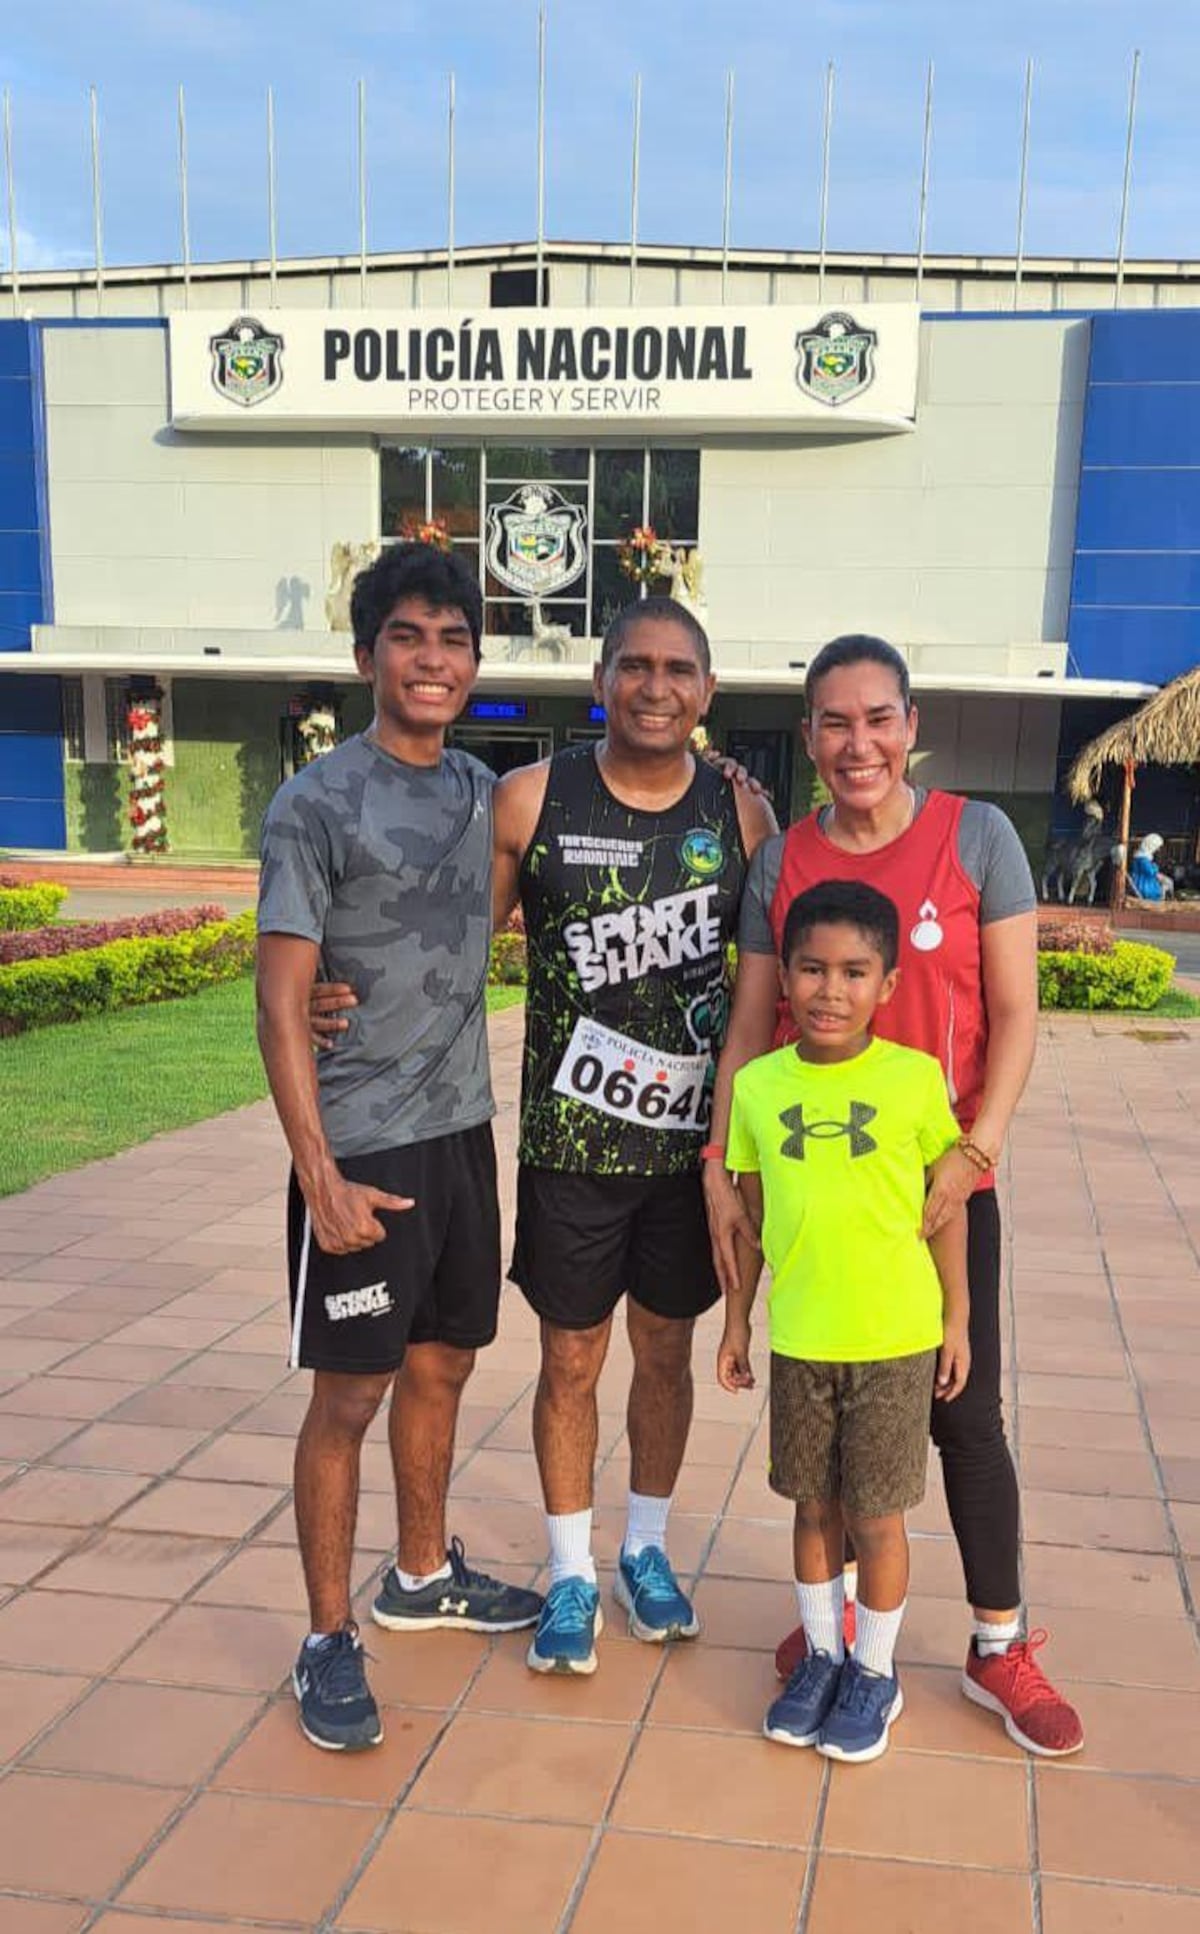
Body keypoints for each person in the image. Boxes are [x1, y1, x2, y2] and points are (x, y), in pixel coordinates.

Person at [705, 633, 1085, 1758]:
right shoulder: (783, 861)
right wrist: (723, 1163)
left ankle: (996, 1640)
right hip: (818, 1182)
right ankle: (835, 1632)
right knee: (820, 1421)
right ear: (810, 733)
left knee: (965, 1412)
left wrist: (976, 1149)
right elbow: (752, 1020)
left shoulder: (978, 836)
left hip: (938, 1185)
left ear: (911, 724)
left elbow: (1015, 1012)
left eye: (877, 717)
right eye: (833, 720)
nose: (856, 742)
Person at [255, 542, 541, 1753]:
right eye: (410, 636)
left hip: (462, 1139)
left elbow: (512, 887)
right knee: (351, 1393)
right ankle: (327, 1635)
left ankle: (421, 1572)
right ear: (366, 652)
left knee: (442, 1369)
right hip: (362, 1149)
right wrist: (317, 1171)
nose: (434, 658)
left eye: (454, 638)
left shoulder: (483, 792)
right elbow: (279, 1001)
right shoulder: (314, 800)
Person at [492, 597, 778, 1674]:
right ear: (600, 679)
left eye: (679, 669)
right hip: (571, 1146)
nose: (656, 685)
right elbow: (452, 939)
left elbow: (783, 977)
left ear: (707, 691)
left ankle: (644, 1552)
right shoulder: (531, 799)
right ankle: (572, 1570)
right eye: (636, 665)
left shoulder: (744, 815)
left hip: (689, 1158)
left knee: (665, 1354)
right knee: (570, 1358)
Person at [719, 880, 970, 1762]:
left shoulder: (911, 1082)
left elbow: (950, 1207)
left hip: (896, 1339)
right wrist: (737, 1324)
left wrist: (960, 1318)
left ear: (889, 984)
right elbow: (748, 1219)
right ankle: (821, 1657)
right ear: (781, 977)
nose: (832, 990)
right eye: (814, 970)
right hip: (802, 1338)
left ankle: (874, 1671)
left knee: (876, 1515)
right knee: (811, 1505)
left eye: (855, 972)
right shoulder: (755, 1087)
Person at [1128, 833, 1174, 901]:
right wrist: (1155, 867)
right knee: (1165, 885)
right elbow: (1150, 871)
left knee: (1168, 882)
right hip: (1144, 885)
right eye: (1156, 847)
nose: (1157, 849)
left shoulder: (1143, 857)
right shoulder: (1142, 858)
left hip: (1146, 881)